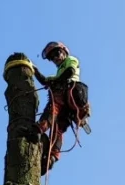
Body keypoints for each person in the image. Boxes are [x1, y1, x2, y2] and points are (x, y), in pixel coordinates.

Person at [34, 41, 90, 172]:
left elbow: (70, 72)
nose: (55, 58)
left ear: (64, 52)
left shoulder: (71, 60)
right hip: (69, 105)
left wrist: (55, 82)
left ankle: (39, 128)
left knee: (53, 106)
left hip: (73, 91)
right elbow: (45, 80)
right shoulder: (58, 73)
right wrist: (34, 70)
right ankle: (52, 156)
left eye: (57, 54)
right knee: (58, 127)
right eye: (52, 58)